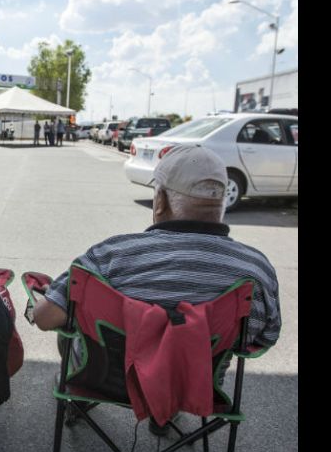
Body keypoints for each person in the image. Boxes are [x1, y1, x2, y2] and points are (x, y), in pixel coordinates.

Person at [31, 145, 281, 431]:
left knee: (71, 326)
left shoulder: (111, 254)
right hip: (198, 388)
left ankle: (80, 400)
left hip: (107, 384)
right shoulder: (256, 269)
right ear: (222, 201)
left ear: (160, 200)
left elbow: (45, 317)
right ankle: (166, 410)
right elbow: (265, 337)